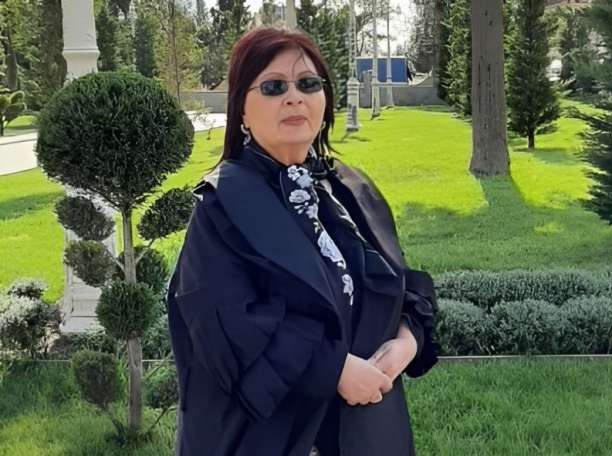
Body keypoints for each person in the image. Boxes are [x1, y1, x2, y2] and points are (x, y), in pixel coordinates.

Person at [166, 26, 439, 456]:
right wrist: (334, 369)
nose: (294, 97)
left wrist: (408, 340)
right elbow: (229, 332)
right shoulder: (221, 207)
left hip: (367, 428)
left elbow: (398, 285)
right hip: (274, 436)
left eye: (308, 84)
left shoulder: (347, 188)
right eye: (274, 87)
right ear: (241, 111)